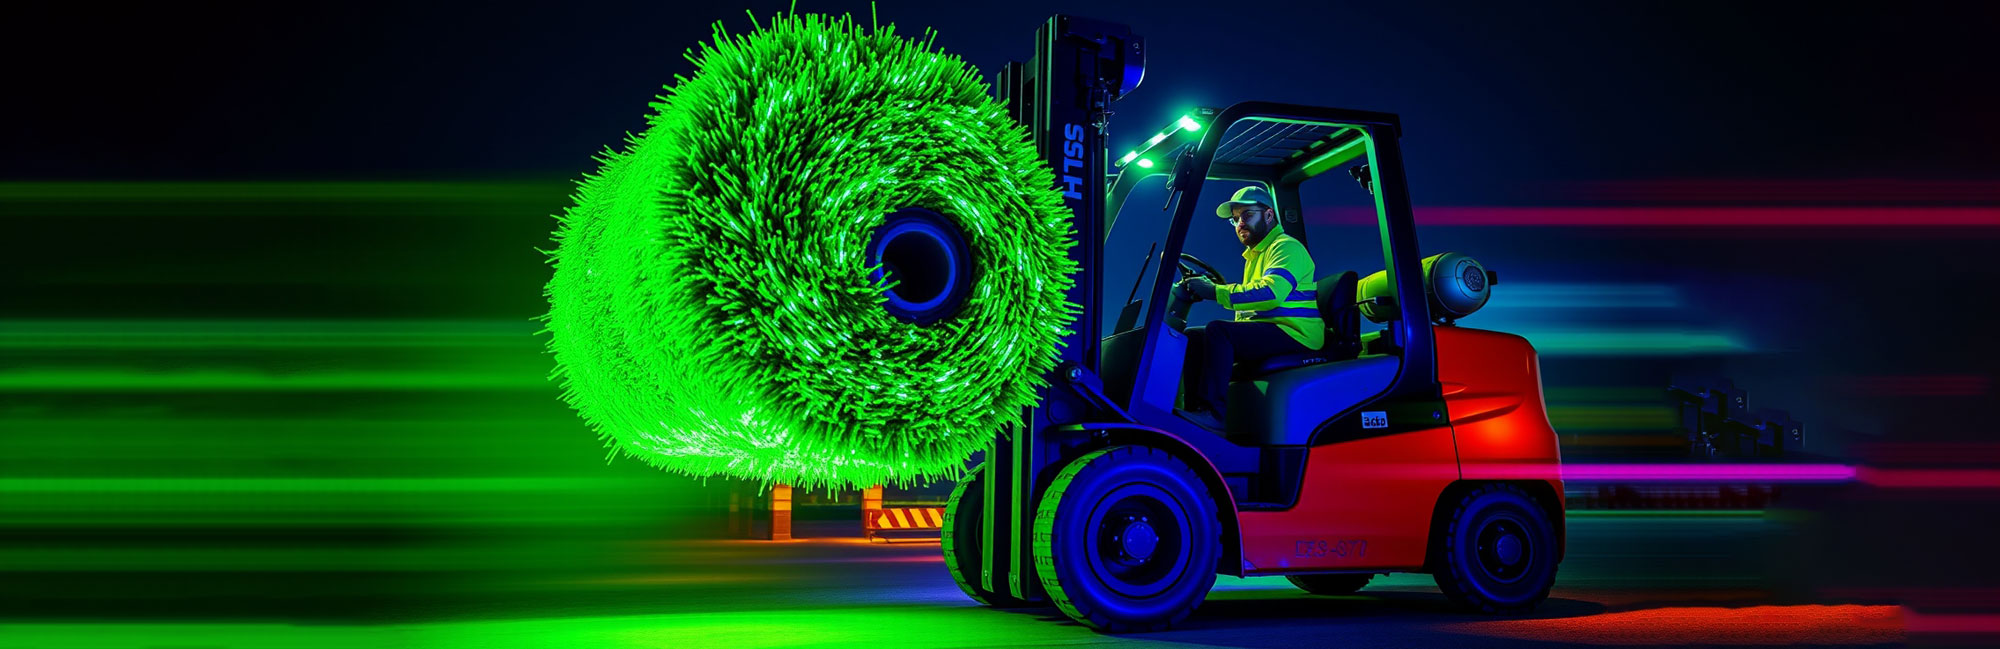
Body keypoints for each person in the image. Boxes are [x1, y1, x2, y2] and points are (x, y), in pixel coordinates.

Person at [1175, 186, 1324, 427]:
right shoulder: (1255, 256)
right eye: (1235, 219)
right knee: (1195, 337)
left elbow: (1271, 292)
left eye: (1247, 215)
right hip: (1273, 330)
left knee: (1219, 331)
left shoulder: (1286, 247)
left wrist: (1215, 291)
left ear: (1268, 215)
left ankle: (1213, 414)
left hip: (1296, 333)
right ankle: (1197, 415)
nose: (1240, 224)